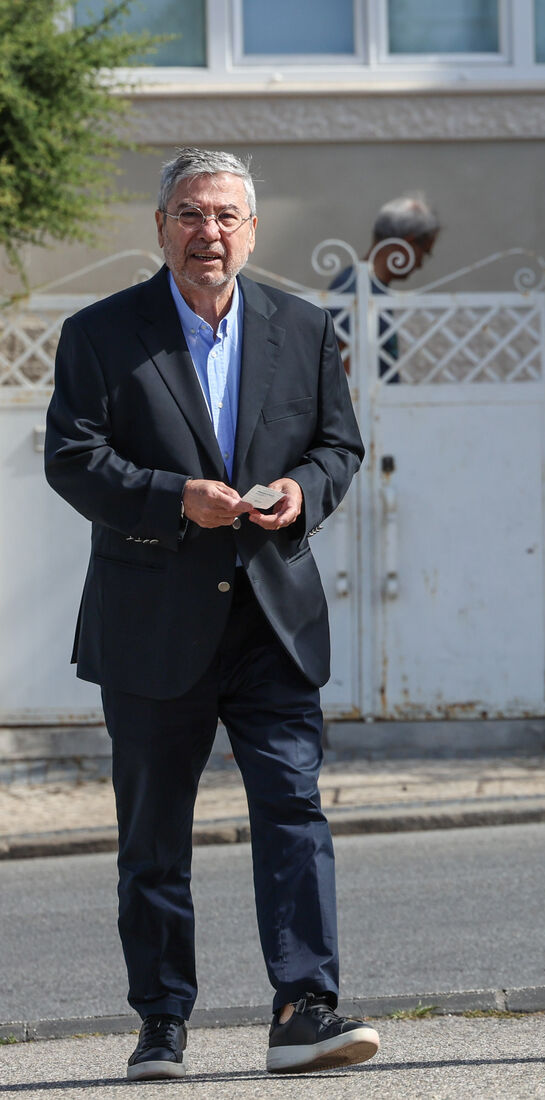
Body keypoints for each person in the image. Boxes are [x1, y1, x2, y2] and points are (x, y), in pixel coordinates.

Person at [44, 148, 377, 1080]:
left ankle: (305, 1008)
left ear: (254, 230)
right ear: (161, 228)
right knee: (153, 835)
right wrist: (169, 500)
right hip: (151, 620)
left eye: (228, 216)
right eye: (191, 215)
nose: (210, 233)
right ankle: (161, 1024)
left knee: (294, 810)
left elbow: (340, 446)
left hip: (273, 618)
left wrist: (298, 491)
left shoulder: (304, 328)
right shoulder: (102, 333)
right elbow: (72, 458)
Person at [327, 193, 440, 379]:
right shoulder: (353, 288)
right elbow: (344, 367)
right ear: (408, 243)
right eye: (425, 252)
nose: (421, 264)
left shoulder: (369, 287)